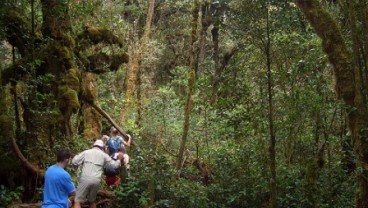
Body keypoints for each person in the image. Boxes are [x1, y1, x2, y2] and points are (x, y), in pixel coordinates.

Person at [72, 140, 123, 208]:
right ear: (102, 148)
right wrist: (119, 159)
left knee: (77, 201)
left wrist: (77, 166)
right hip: (96, 180)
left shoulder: (86, 152)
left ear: (93, 146)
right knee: (92, 201)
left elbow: (74, 161)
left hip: (85, 178)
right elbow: (114, 166)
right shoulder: (104, 155)